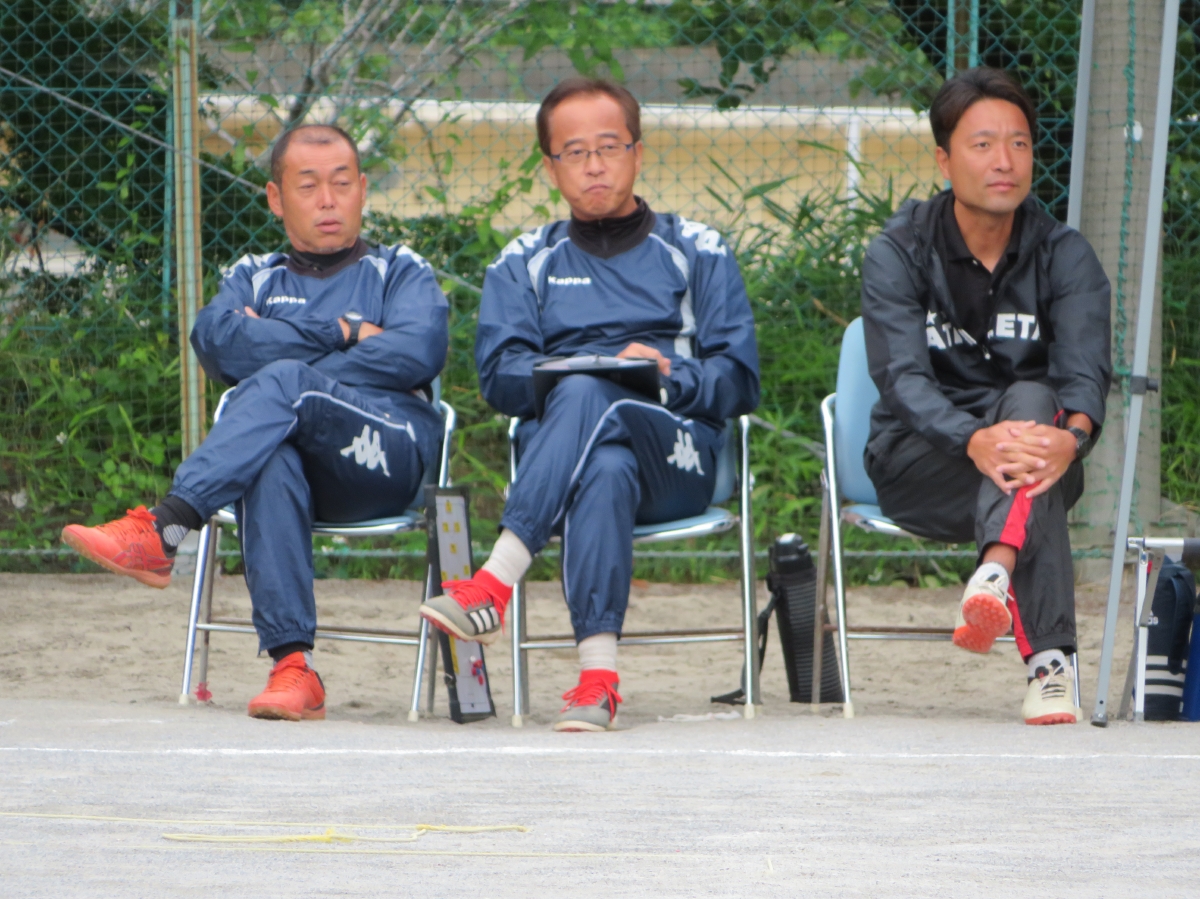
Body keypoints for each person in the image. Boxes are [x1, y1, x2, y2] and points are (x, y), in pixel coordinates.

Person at [61, 125, 449, 722]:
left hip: (384, 456)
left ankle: (165, 528)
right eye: (309, 186)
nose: (328, 200)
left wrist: (279, 357)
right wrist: (343, 332)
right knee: (269, 455)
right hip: (294, 465)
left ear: (363, 190)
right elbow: (218, 342)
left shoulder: (401, 270)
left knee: (282, 383)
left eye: (342, 184)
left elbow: (416, 352)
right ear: (276, 198)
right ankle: (293, 667)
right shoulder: (254, 275)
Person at [418, 77, 760, 732]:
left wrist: (666, 374)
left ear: (638, 152)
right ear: (551, 168)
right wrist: (585, 373)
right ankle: (597, 682)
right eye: (575, 152)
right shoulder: (523, 260)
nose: (594, 165)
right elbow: (500, 379)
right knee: (602, 454)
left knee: (592, 396)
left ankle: (493, 583)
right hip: (575, 464)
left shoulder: (698, 249)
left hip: (677, 456)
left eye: (609, 147)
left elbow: (739, 377)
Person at [860, 68, 1111, 725]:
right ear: (944, 160)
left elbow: (1085, 377)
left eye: (1019, 143)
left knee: (1030, 408)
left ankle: (995, 573)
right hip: (921, 467)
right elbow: (902, 380)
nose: (1005, 161)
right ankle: (1050, 664)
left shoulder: (1065, 254)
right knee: (1029, 458)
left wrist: (1072, 438)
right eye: (983, 144)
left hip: (1038, 463)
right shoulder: (900, 251)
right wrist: (972, 438)